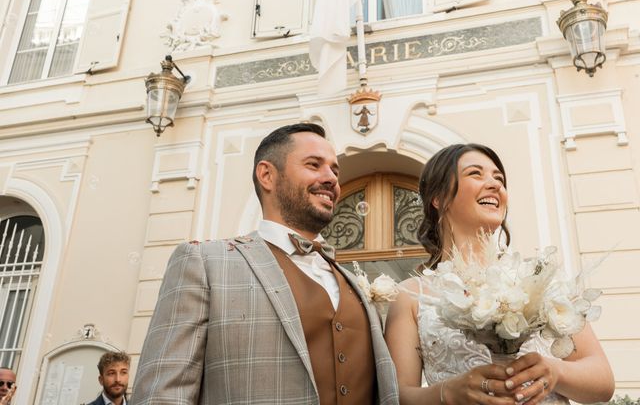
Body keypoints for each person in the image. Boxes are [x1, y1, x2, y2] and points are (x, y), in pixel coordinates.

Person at [132, 123, 399, 404]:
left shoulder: (351, 281)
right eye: (313, 165)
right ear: (267, 175)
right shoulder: (205, 262)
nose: (331, 178)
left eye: (334, 169)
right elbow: (163, 394)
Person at [384, 143, 615, 405]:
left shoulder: (540, 279)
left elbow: (603, 382)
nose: (495, 185)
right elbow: (397, 397)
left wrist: (556, 371)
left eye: (499, 179)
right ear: (438, 197)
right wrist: (447, 393)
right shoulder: (411, 296)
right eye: (475, 174)